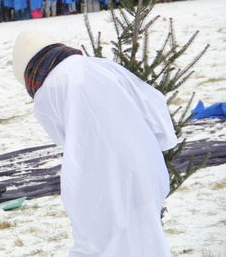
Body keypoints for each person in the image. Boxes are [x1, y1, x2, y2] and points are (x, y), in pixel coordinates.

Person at [12, 30, 177, 257]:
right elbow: (153, 103)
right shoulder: (101, 65)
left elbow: (63, 139)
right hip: (144, 159)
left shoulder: (46, 93)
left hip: (98, 173)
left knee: (99, 241)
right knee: (147, 233)